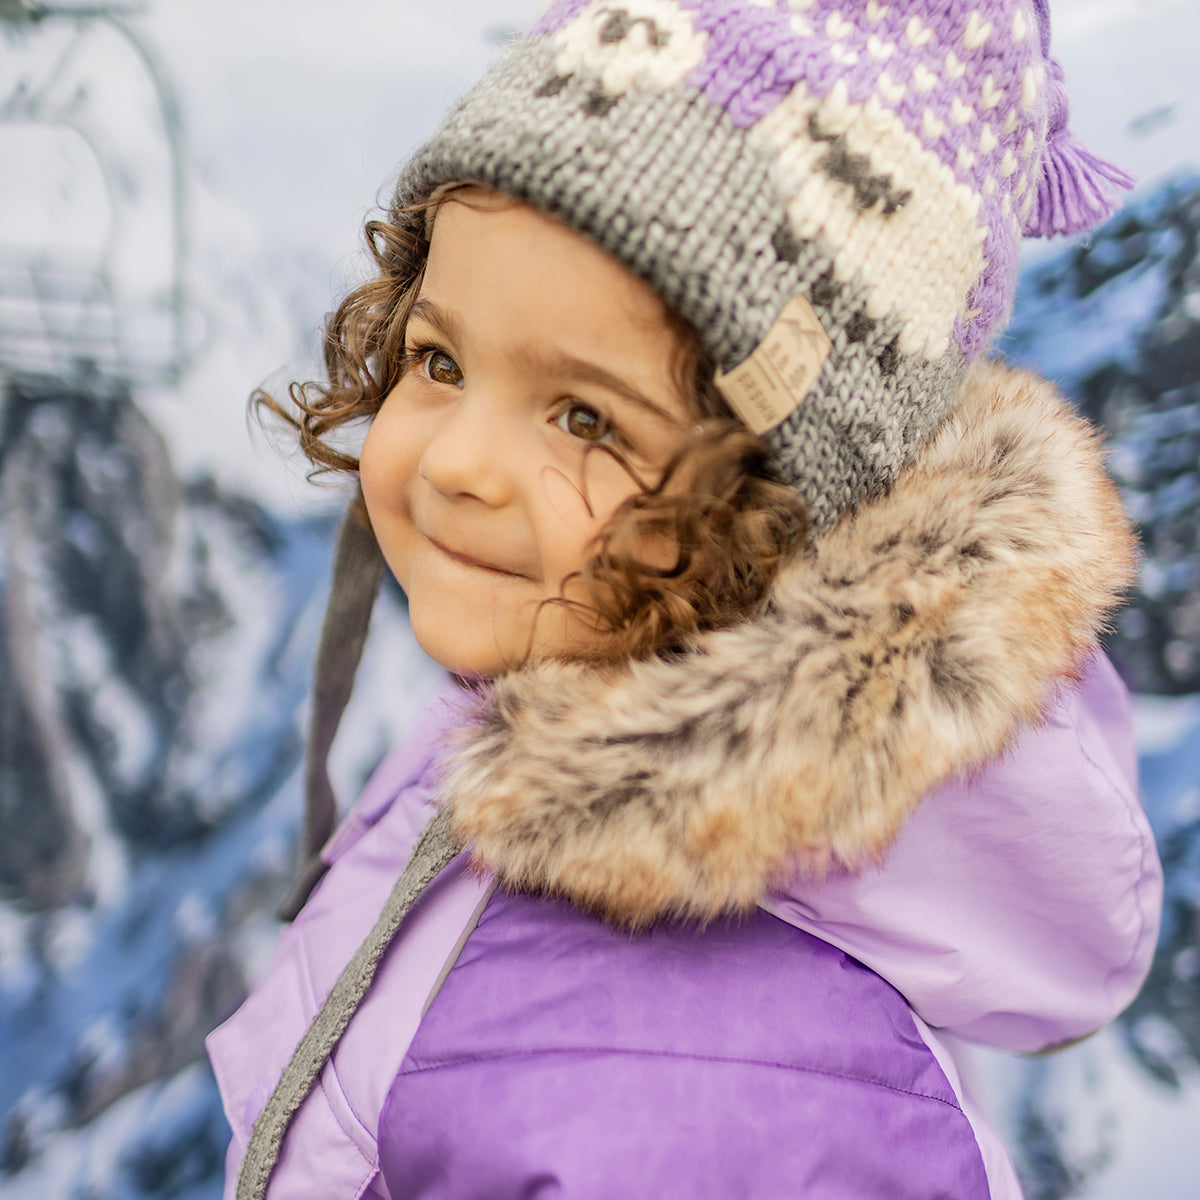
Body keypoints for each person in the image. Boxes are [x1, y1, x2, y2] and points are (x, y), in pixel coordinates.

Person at [207, 2, 1163, 1196]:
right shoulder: (566, 693)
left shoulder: (709, 1102)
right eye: (439, 360)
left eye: (586, 417)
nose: (455, 462)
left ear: (778, 506)